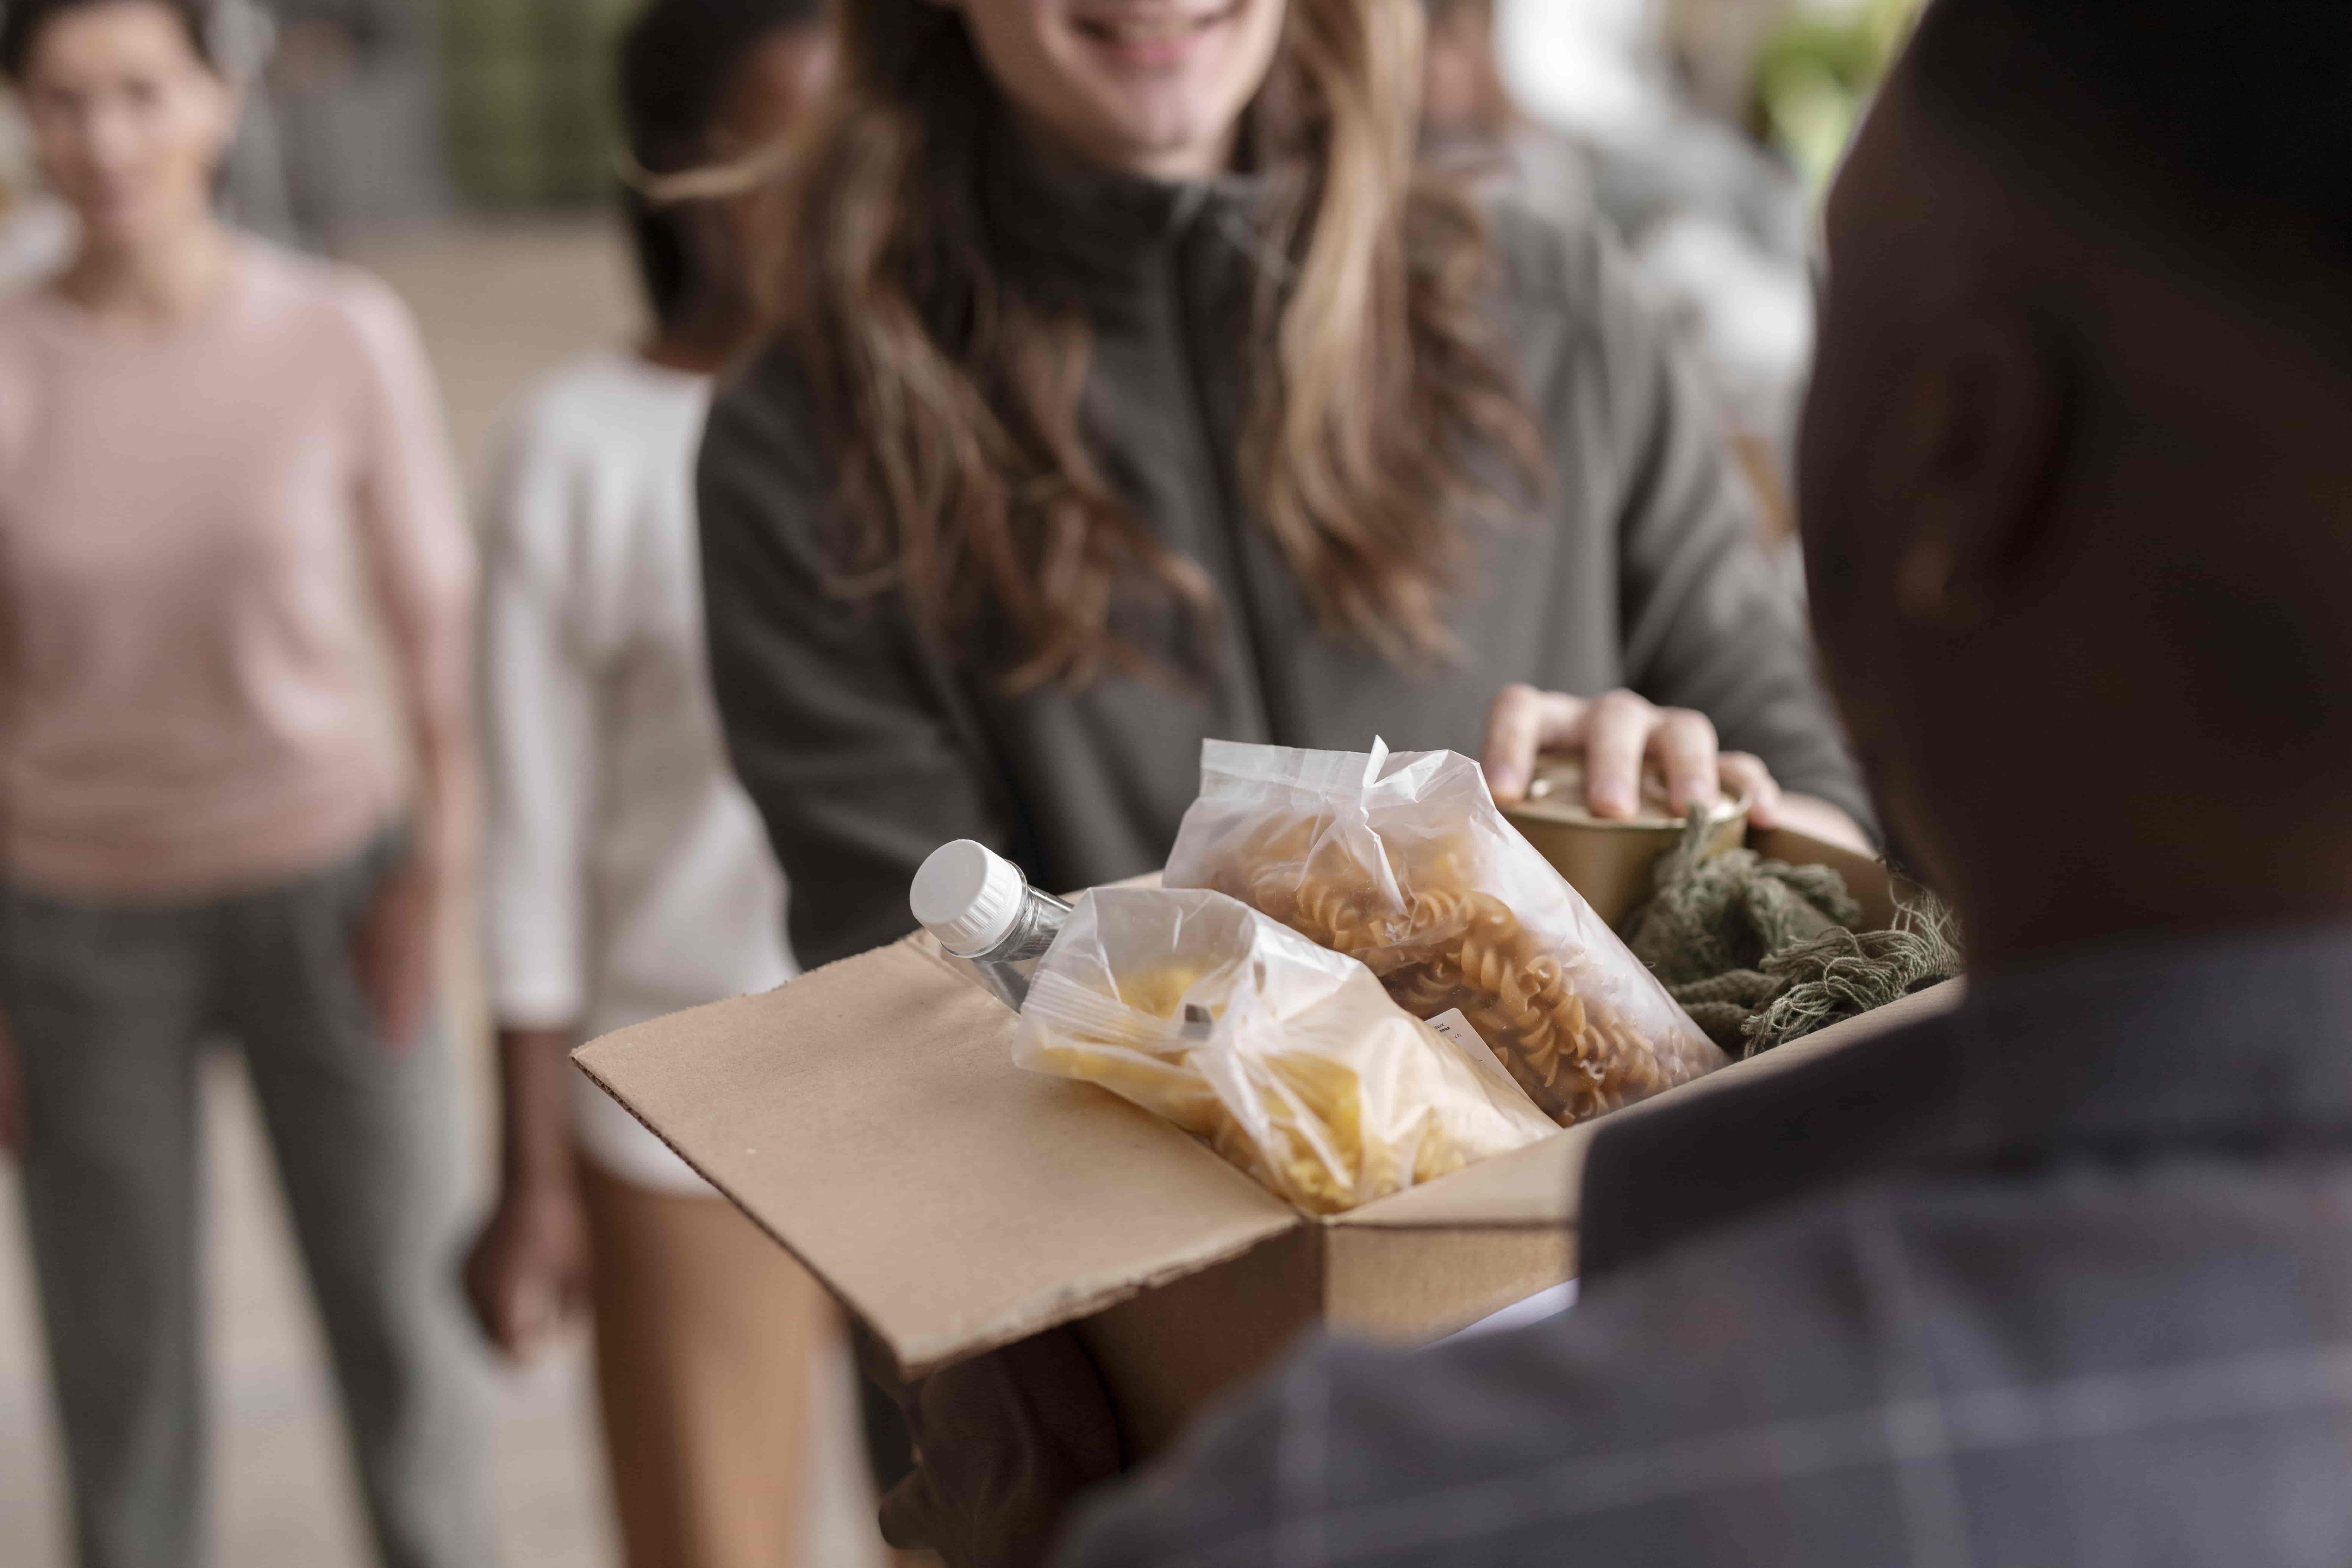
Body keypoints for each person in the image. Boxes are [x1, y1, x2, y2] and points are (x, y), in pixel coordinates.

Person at [873, 0, 2352, 1563]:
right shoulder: (833, 423)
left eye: (1829, 281)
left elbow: (1786, 727)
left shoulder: (1346, 1506)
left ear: (1951, 457)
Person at [697, 0, 1873, 991]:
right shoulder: (814, 434)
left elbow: (1824, 837)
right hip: (1134, 1257)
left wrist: (1687, 822)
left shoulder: (1554, 305)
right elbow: (910, 993)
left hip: (1609, 1229)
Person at [0, 2, 490, 1567]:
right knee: (120, 1366)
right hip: (70, 920)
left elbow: (433, 640)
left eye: (142, 93)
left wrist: (436, 873)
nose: (106, 140)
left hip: (329, 897)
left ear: (222, 98)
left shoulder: (337, 333)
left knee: (404, 1336)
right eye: (63, 102)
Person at [460, 4, 842, 1567]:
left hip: (949, 1084)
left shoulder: (939, 412)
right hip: (685, 1112)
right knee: (709, 1537)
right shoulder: (580, 451)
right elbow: (530, 850)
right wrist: (527, 1177)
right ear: (669, 175)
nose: (820, 197)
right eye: (767, 156)